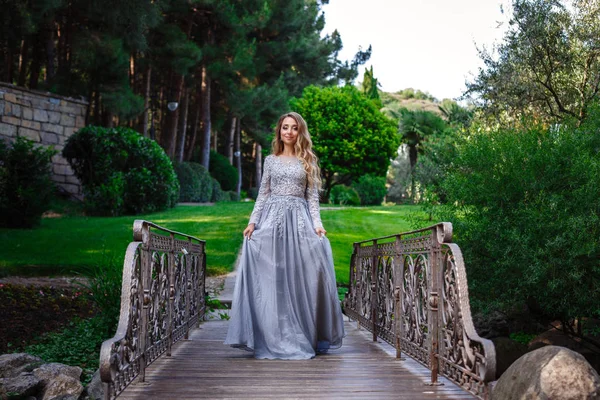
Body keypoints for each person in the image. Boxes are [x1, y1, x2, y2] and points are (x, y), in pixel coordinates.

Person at [224, 112, 344, 360]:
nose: (289, 132)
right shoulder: (270, 161)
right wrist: (252, 222)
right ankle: (272, 334)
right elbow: (263, 194)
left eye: (294, 128)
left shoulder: (307, 160)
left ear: (301, 132)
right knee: (274, 278)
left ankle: (302, 332)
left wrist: (317, 225)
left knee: (302, 275)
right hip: (273, 220)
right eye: (285, 128)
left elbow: (312, 198)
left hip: (299, 221)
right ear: (279, 131)